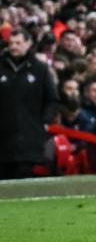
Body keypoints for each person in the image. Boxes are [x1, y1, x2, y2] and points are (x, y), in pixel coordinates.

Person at [0, 28, 57, 179]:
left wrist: (45, 121)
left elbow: (51, 99)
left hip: (30, 138)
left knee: (24, 178)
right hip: (3, 137)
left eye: (18, 43)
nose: (13, 47)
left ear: (28, 43)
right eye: (11, 43)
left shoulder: (40, 69)